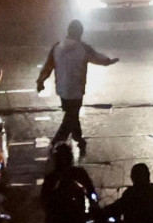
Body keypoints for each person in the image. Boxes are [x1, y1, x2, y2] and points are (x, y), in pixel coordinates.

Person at [36, 20, 119, 156]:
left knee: (72, 114)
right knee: (71, 117)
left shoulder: (57, 47)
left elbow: (48, 66)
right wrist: (109, 61)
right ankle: (57, 142)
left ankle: (79, 138)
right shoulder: (83, 48)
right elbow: (98, 58)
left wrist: (40, 81)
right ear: (80, 33)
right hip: (77, 89)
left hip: (62, 89)